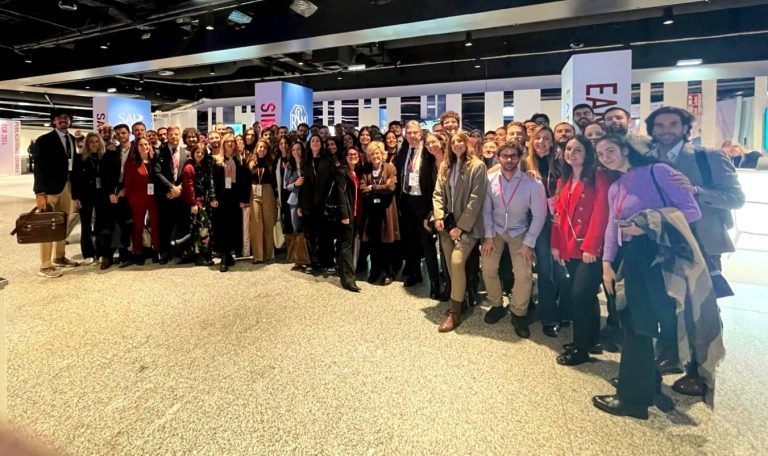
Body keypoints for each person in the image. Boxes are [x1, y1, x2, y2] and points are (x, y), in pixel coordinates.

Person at [595, 134, 702, 419]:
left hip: (659, 256)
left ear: (625, 149)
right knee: (636, 323)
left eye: (610, 150)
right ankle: (645, 385)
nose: (605, 157)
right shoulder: (617, 186)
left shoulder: (659, 172)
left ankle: (632, 399)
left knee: (641, 325)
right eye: (601, 154)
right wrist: (606, 262)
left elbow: (691, 211)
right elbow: (612, 227)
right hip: (633, 257)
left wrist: (646, 225)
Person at [645, 106, 744, 396]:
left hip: (701, 244)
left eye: (672, 124)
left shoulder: (708, 157)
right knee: (669, 303)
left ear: (685, 128)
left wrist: (697, 191)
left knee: (701, 308)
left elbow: (736, 198)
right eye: (660, 125)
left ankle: (701, 372)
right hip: (663, 243)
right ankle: (672, 356)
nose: (666, 130)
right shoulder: (648, 158)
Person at [551, 136, 614, 364]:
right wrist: (555, 244)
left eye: (578, 149)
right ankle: (589, 339)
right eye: (569, 149)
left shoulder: (598, 176)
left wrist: (592, 246)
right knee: (585, 297)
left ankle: (580, 349)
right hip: (569, 246)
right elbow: (558, 216)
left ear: (587, 153)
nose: (572, 153)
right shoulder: (564, 180)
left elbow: (601, 213)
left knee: (579, 297)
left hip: (589, 248)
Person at [481, 141, 547, 338]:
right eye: (505, 156)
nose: (509, 159)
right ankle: (496, 305)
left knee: (523, 274)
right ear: (498, 158)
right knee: (488, 268)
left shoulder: (532, 183)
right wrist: (488, 237)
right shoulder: (489, 180)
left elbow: (540, 215)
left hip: (520, 232)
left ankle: (518, 313)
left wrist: (529, 243)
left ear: (520, 158)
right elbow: (486, 211)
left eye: (513, 156)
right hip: (496, 230)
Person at [432, 130, 487, 332]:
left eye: (460, 141)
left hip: (468, 226)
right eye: (453, 141)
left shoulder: (477, 166)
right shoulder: (446, 165)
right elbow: (438, 192)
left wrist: (461, 227)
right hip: (447, 225)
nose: (456, 144)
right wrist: (438, 216)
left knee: (456, 261)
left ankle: (454, 311)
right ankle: (460, 300)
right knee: (449, 264)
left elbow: (476, 200)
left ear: (467, 144)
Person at [526, 125, 568, 337]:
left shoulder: (560, 164)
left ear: (552, 143)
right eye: (538, 138)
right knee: (545, 269)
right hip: (538, 223)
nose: (541, 142)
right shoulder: (525, 164)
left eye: (546, 138)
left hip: (560, 221)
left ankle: (566, 311)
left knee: (563, 269)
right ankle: (549, 316)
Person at [32, 108, 81, 278]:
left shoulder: (73, 140)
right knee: (48, 225)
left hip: (67, 186)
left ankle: (60, 257)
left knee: (62, 223)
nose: (63, 120)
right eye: (59, 118)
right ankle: (45, 265)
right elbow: (38, 167)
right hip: (49, 190)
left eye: (66, 117)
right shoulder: (44, 140)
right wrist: (39, 193)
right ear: (53, 121)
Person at [361, 141, 399, 285]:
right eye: (371, 154)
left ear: (382, 154)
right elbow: (363, 189)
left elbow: (391, 188)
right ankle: (375, 271)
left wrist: (373, 187)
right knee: (373, 242)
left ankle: (389, 272)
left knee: (387, 242)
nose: (375, 156)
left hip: (387, 209)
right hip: (372, 211)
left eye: (377, 153)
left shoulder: (390, 168)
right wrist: (382, 186)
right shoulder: (366, 169)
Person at [70, 132, 108, 266]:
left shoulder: (104, 157)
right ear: (87, 143)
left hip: (101, 194)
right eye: (91, 142)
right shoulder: (79, 158)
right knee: (86, 225)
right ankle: (88, 253)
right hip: (85, 195)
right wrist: (75, 197)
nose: (94, 144)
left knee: (101, 224)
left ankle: (101, 252)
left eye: (97, 141)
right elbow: (74, 179)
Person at [212, 134, 248, 272]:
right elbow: (213, 181)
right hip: (221, 197)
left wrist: (243, 200)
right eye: (227, 141)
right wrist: (213, 197)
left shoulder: (240, 160)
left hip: (235, 197)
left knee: (233, 225)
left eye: (232, 141)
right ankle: (224, 257)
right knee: (222, 226)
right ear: (223, 144)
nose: (230, 144)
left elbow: (244, 182)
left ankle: (228, 254)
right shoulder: (217, 161)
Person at [123, 138, 160, 264]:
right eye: (141, 145)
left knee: (155, 225)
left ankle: (156, 250)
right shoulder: (131, 163)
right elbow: (128, 183)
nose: (144, 147)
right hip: (138, 199)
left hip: (154, 199)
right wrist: (130, 198)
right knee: (138, 226)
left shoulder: (154, 160)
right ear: (136, 147)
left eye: (146, 144)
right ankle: (138, 252)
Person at [331, 147, 363, 292]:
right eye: (350, 154)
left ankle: (343, 273)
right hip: (346, 215)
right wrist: (345, 215)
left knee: (345, 245)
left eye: (355, 154)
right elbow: (341, 195)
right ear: (345, 157)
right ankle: (349, 280)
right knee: (346, 246)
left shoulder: (356, 172)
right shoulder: (341, 172)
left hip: (355, 214)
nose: (353, 156)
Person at [153, 126, 186, 264]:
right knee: (165, 225)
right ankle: (165, 252)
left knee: (181, 223)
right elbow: (157, 173)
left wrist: (180, 188)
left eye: (176, 134)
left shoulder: (186, 152)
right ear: (167, 136)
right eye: (171, 134)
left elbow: (188, 173)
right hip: (166, 195)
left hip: (181, 195)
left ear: (180, 135)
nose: (174, 137)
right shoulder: (159, 152)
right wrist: (172, 188)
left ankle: (179, 251)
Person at [181, 143, 217, 266]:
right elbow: (189, 187)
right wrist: (193, 203)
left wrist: (211, 198)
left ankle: (205, 252)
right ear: (193, 152)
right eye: (197, 152)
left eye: (202, 153)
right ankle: (198, 255)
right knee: (198, 230)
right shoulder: (189, 167)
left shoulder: (204, 165)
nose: (200, 154)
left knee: (205, 229)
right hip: (196, 203)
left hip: (205, 202)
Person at [246, 138, 279, 263]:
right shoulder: (250, 162)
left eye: (265, 148)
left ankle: (269, 254)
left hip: (268, 191)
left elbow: (275, 181)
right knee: (256, 223)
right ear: (256, 148)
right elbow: (246, 180)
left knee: (268, 223)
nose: (262, 149)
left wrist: (277, 196)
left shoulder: (271, 162)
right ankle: (258, 256)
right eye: (260, 147)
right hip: (254, 191)